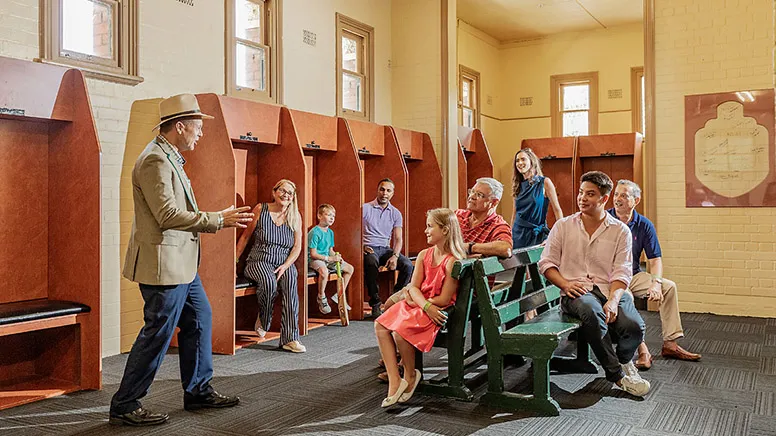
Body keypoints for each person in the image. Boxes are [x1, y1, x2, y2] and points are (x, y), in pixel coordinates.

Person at [111, 94, 253, 426]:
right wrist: (217, 219)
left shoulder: (169, 156)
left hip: (181, 265)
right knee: (157, 333)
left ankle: (198, 391)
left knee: (200, 319)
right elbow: (167, 214)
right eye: (197, 128)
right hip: (164, 266)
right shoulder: (155, 161)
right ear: (179, 126)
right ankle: (125, 403)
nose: (200, 135)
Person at [538, 171, 651, 396]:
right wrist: (565, 284)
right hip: (576, 291)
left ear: (604, 199)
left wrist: (613, 300)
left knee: (635, 327)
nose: (583, 198)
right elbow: (546, 263)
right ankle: (617, 376)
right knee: (592, 312)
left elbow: (622, 272)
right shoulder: (563, 226)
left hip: (610, 289)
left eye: (590, 194)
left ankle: (624, 360)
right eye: (581, 193)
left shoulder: (620, 231)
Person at [374, 208, 467, 407]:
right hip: (423, 305)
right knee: (380, 325)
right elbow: (413, 286)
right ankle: (395, 378)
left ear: (445, 230)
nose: (425, 230)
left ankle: (409, 374)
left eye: (430, 226)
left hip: (437, 311)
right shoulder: (425, 255)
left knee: (400, 332)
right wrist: (421, 302)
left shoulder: (452, 262)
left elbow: (443, 299)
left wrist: (417, 301)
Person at [609, 180, 701, 370]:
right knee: (626, 298)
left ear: (636, 200)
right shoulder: (604, 219)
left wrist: (656, 283)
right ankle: (643, 351)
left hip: (633, 275)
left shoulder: (644, 225)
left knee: (669, 287)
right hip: (609, 278)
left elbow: (655, 259)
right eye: (616, 194)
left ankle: (670, 344)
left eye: (624, 195)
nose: (618, 199)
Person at [236, 179, 305, 353]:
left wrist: (285, 265)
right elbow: (245, 237)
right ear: (274, 192)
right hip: (258, 260)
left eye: (290, 193)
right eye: (282, 191)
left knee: (290, 280)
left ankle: (290, 338)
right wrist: (233, 262)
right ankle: (265, 318)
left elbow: (297, 247)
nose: (286, 195)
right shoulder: (261, 209)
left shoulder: (295, 216)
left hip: (283, 261)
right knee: (268, 282)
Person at [363, 179, 414, 318]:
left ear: (392, 193)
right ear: (377, 190)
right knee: (370, 262)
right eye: (382, 189)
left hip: (385, 249)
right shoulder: (365, 208)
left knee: (408, 265)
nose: (384, 193)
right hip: (369, 248)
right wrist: (361, 247)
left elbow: (398, 238)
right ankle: (375, 303)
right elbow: (353, 231)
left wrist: (395, 256)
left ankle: (395, 299)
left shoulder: (396, 213)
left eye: (388, 190)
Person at [510, 148, 563, 248]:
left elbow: (557, 211)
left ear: (531, 161)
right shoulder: (517, 185)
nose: (520, 163)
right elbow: (514, 214)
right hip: (517, 235)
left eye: (523, 159)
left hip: (537, 235)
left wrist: (558, 235)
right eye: (517, 161)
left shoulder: (545, 182)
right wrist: (509, 236)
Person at [308, 204, 354, 314]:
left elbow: (330, 250)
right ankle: (321, 297)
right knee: (324, 271)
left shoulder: (330, 232)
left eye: (333, 216)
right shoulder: (314, 232)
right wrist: (329, 258)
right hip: (315, 260)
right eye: (328, 215)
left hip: (327, 258)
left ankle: (338, 295)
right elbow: (313, 254)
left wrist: (337, 258)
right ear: (319, 216)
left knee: (349, 268)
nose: (332, 218)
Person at [456, 177, 513, 258]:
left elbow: (505, 249)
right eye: (472, 192)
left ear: (494, 203)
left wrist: (470, 247)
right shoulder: (458, 215)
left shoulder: (498, 225)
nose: (471, 197)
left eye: (479, 195)